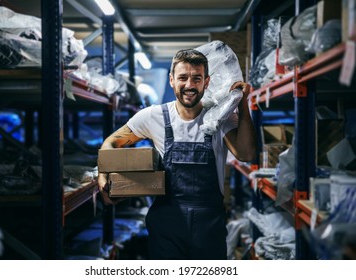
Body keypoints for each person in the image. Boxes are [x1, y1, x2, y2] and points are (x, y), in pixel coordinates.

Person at [98, 48, 257, 260]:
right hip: (166, 226)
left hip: (208, 228)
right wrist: (103, 175)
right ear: (172, 80)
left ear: (206, 82)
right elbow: (111, 142)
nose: (189, 85)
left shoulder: (219, 118)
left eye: (196, 78)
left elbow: (246, 153)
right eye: (183, 78)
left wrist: (242, 104)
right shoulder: (153, 116)